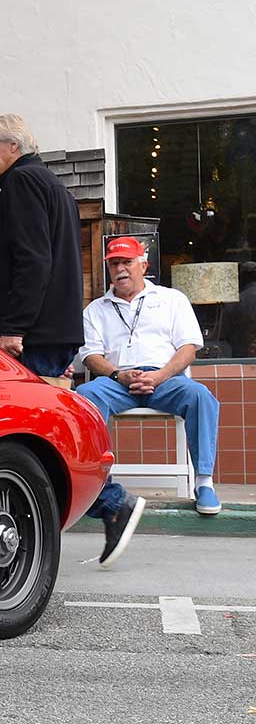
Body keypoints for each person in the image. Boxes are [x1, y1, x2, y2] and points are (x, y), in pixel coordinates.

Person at [76, 236, 222, 568]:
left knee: (201, 396)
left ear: (144, 264)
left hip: (165, 378)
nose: (120, 269)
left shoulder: (171, 299)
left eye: (127, 262)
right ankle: (100, 484)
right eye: (114, 263)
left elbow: (188, 348)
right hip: (117, 381)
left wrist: (160, 376)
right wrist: (119, 375)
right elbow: (91, 356)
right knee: (84, 398)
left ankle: (204, 483)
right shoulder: (95, 310)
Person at [0, 114, 83, 380]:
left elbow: (33, 260)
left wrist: (14, 328)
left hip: (30, 340)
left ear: (12, 145)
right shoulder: (55, 187)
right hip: (50, 337)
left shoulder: (22, 181)